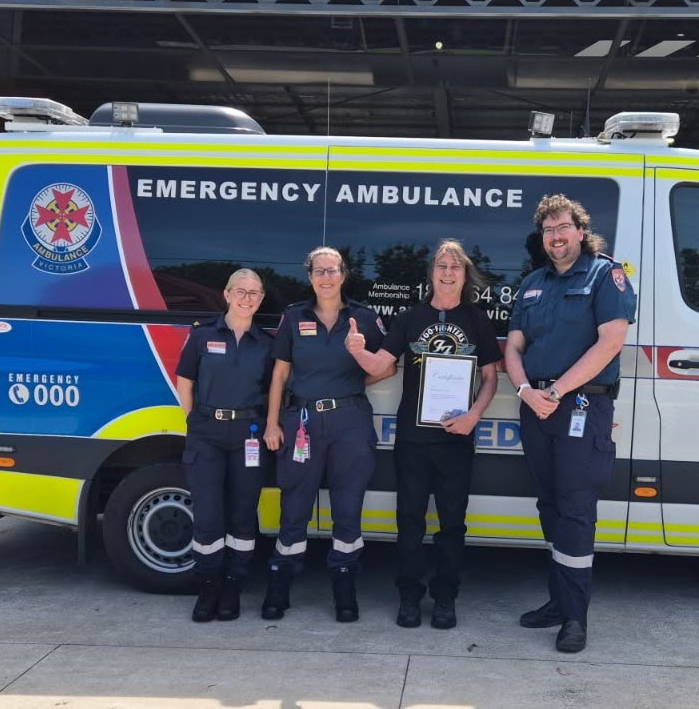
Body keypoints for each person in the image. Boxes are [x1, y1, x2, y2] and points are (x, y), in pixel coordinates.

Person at [504, 194, 636, 653]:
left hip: (580, 407)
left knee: (576, 511)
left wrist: (555, 393)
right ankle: (559, 601)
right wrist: (525, 391)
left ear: (580, 230)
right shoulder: (533, 283)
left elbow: (610, 342)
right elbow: (513, 347)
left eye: (562, 228)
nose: (555, 237)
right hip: (535, 406)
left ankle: (575, 618)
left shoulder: (606, 274)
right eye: (547, 231)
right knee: (550, 506)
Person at [345, 239, 501, 630]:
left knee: (452, 524)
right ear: (431, 274)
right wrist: (357, 350)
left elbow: (490, 377)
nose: (448, 273)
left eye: (455, 267)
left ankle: (445, 599)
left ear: (465, 275)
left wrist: (474, 416)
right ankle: (409, 597)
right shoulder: (409, 318)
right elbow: (381, 363)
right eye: (441, 266)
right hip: (413, 440)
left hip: (457, 439)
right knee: (410, 521)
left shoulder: (477, 319)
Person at [262, 246, 393, 623]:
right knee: (295, 508)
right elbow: (280, 375)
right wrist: (273, 423)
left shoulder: (364, 318)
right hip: (301, 420)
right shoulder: (293, 317)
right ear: (310, 277)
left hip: (349, 420)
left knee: (348, 510)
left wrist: (351, 383)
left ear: (343, 274)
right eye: (319, 271)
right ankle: (279, 587)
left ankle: (345, 590)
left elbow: (388, 365)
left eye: (332, 270)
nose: (326, 277)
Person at [175, 268, 273, 623]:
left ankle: (232, 587)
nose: (247, 298)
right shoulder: (202, 336)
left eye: (255, 293)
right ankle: (208, 588)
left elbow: (273, 390)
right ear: (227, 294)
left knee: (243, 514)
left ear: (261, 299)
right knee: (208, 515)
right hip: (207, 434)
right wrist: (194, 421)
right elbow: (184, 379)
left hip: (248, 434)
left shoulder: (266, 343)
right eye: (241, 291)